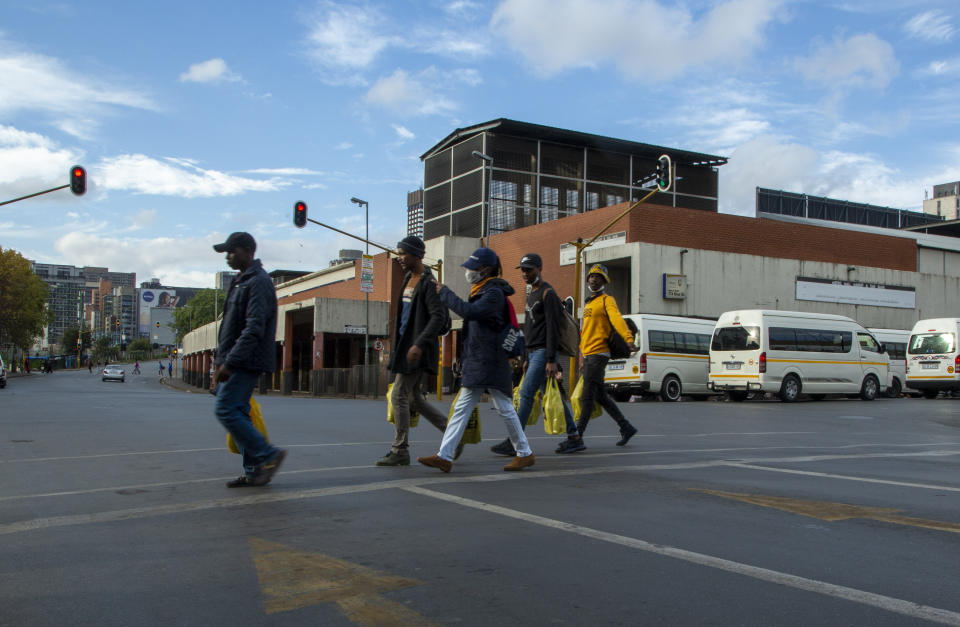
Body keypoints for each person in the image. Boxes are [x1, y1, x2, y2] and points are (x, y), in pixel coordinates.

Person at [418, 247, 535, 473]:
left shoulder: (492, 294)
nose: (469, 272)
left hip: (488, 360)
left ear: (485, 269)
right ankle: (522, 453)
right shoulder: (484, 290)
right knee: (493, 407)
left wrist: (445, 292)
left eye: (473, 268)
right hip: (484, 359)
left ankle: (522, 453)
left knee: (494, 408)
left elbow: (469, 312)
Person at [491, 253, 585, 456]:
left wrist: (552, 360)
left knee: (525, 394)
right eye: (523, 270)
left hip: (543, 352)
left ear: (539, 269)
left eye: (529, 269)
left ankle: (514, 441)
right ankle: (575, 437)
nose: (525, 273)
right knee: (551, 396)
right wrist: (525, 357)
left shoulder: (547, 293)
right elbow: (530, 329)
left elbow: (552, 329)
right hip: (533, 352)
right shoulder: (531, 293)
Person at [212, 231, 286, 487]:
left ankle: (269, 455)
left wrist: (230, 363)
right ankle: (254, 470)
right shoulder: (241, 281)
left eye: (231, 252)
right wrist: (219, 363)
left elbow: (254, 327)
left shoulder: (259, 282)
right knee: (240, 413)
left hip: (245, 360)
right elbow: (229, 328)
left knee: (226, 409)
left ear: (247, 251)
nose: (228, 257)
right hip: (234, 360)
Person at [377, 236, 449, 467]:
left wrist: (418, 343)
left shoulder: (427, 282)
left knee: (398, 394)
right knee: (413, 398)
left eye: (403, 254)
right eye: (398, 253)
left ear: (416, 255)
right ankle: (453, 436)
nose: (399, 258)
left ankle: (400, 450)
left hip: (417, 350)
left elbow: (438, 317)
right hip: (406, 348)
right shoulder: (408, 278)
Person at [576, 264, 638, 447]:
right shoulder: (588, 303)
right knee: (599, 396)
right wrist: (582, 357)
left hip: (599, 353)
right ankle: (626, 427)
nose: (594, 279)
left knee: (586, 397)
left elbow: (617, 319)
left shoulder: (606, 300)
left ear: (604, 281)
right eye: (591, 276)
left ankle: (577, 437)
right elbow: (585, 332)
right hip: (589, 355)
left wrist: (628, 339)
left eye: (599, 277)